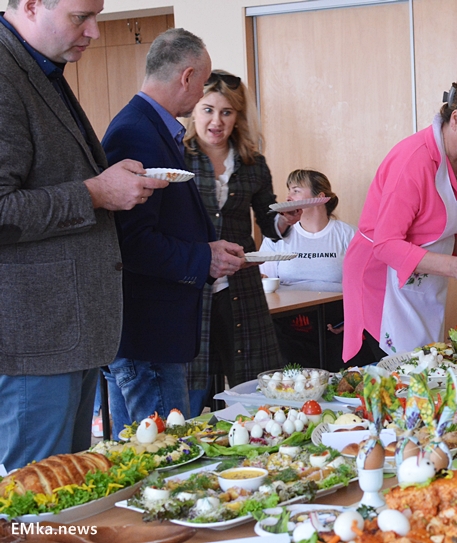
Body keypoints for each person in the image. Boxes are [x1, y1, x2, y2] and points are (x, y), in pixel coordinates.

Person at [0, 0, 166, 469]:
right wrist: (96, 191)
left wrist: (106, 181)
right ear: (31, 5)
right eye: (81, 17)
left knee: (71, 494)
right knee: (40, 505)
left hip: (65, 333)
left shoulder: (37, 66)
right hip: (36, 340)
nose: (94, 30)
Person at [101, 29, 246, 439]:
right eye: (203, 82)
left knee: (137, 456)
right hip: (148, 334)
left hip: (153, 332)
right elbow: (131, 242)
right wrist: (205, 258)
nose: (202, 93)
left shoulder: (152, 126)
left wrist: (207, 248)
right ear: (186, 77)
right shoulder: (137, 131)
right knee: (163, 456)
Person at [342, 75, 457, 360]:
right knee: (392, 382)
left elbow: (456, 222)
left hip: (423, 278)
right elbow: (385, 244)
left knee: (424, 368)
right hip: (382, 283)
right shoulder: (413, 160)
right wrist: (453, 266)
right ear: (456, 119)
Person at [183, 70, 299, 416]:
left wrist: (285, 218)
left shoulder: (253, 165)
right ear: (194, 111)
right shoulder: (178, 158)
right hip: (192, 287)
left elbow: (269, 222)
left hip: (241, 289)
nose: (216, 121)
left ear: (239, 117)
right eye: (208, 110)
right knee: (193, 392)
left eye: (227, 112)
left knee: (256, 391)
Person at [261, 169, 374, 371]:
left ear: (319, 198)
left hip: (336, 320)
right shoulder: (277, 236)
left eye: (296, 190)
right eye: (288, 190)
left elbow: (368, 284)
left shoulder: (348, 234)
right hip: (289, 322)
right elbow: (265, 280)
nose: (288, 196)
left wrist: (351, 321)